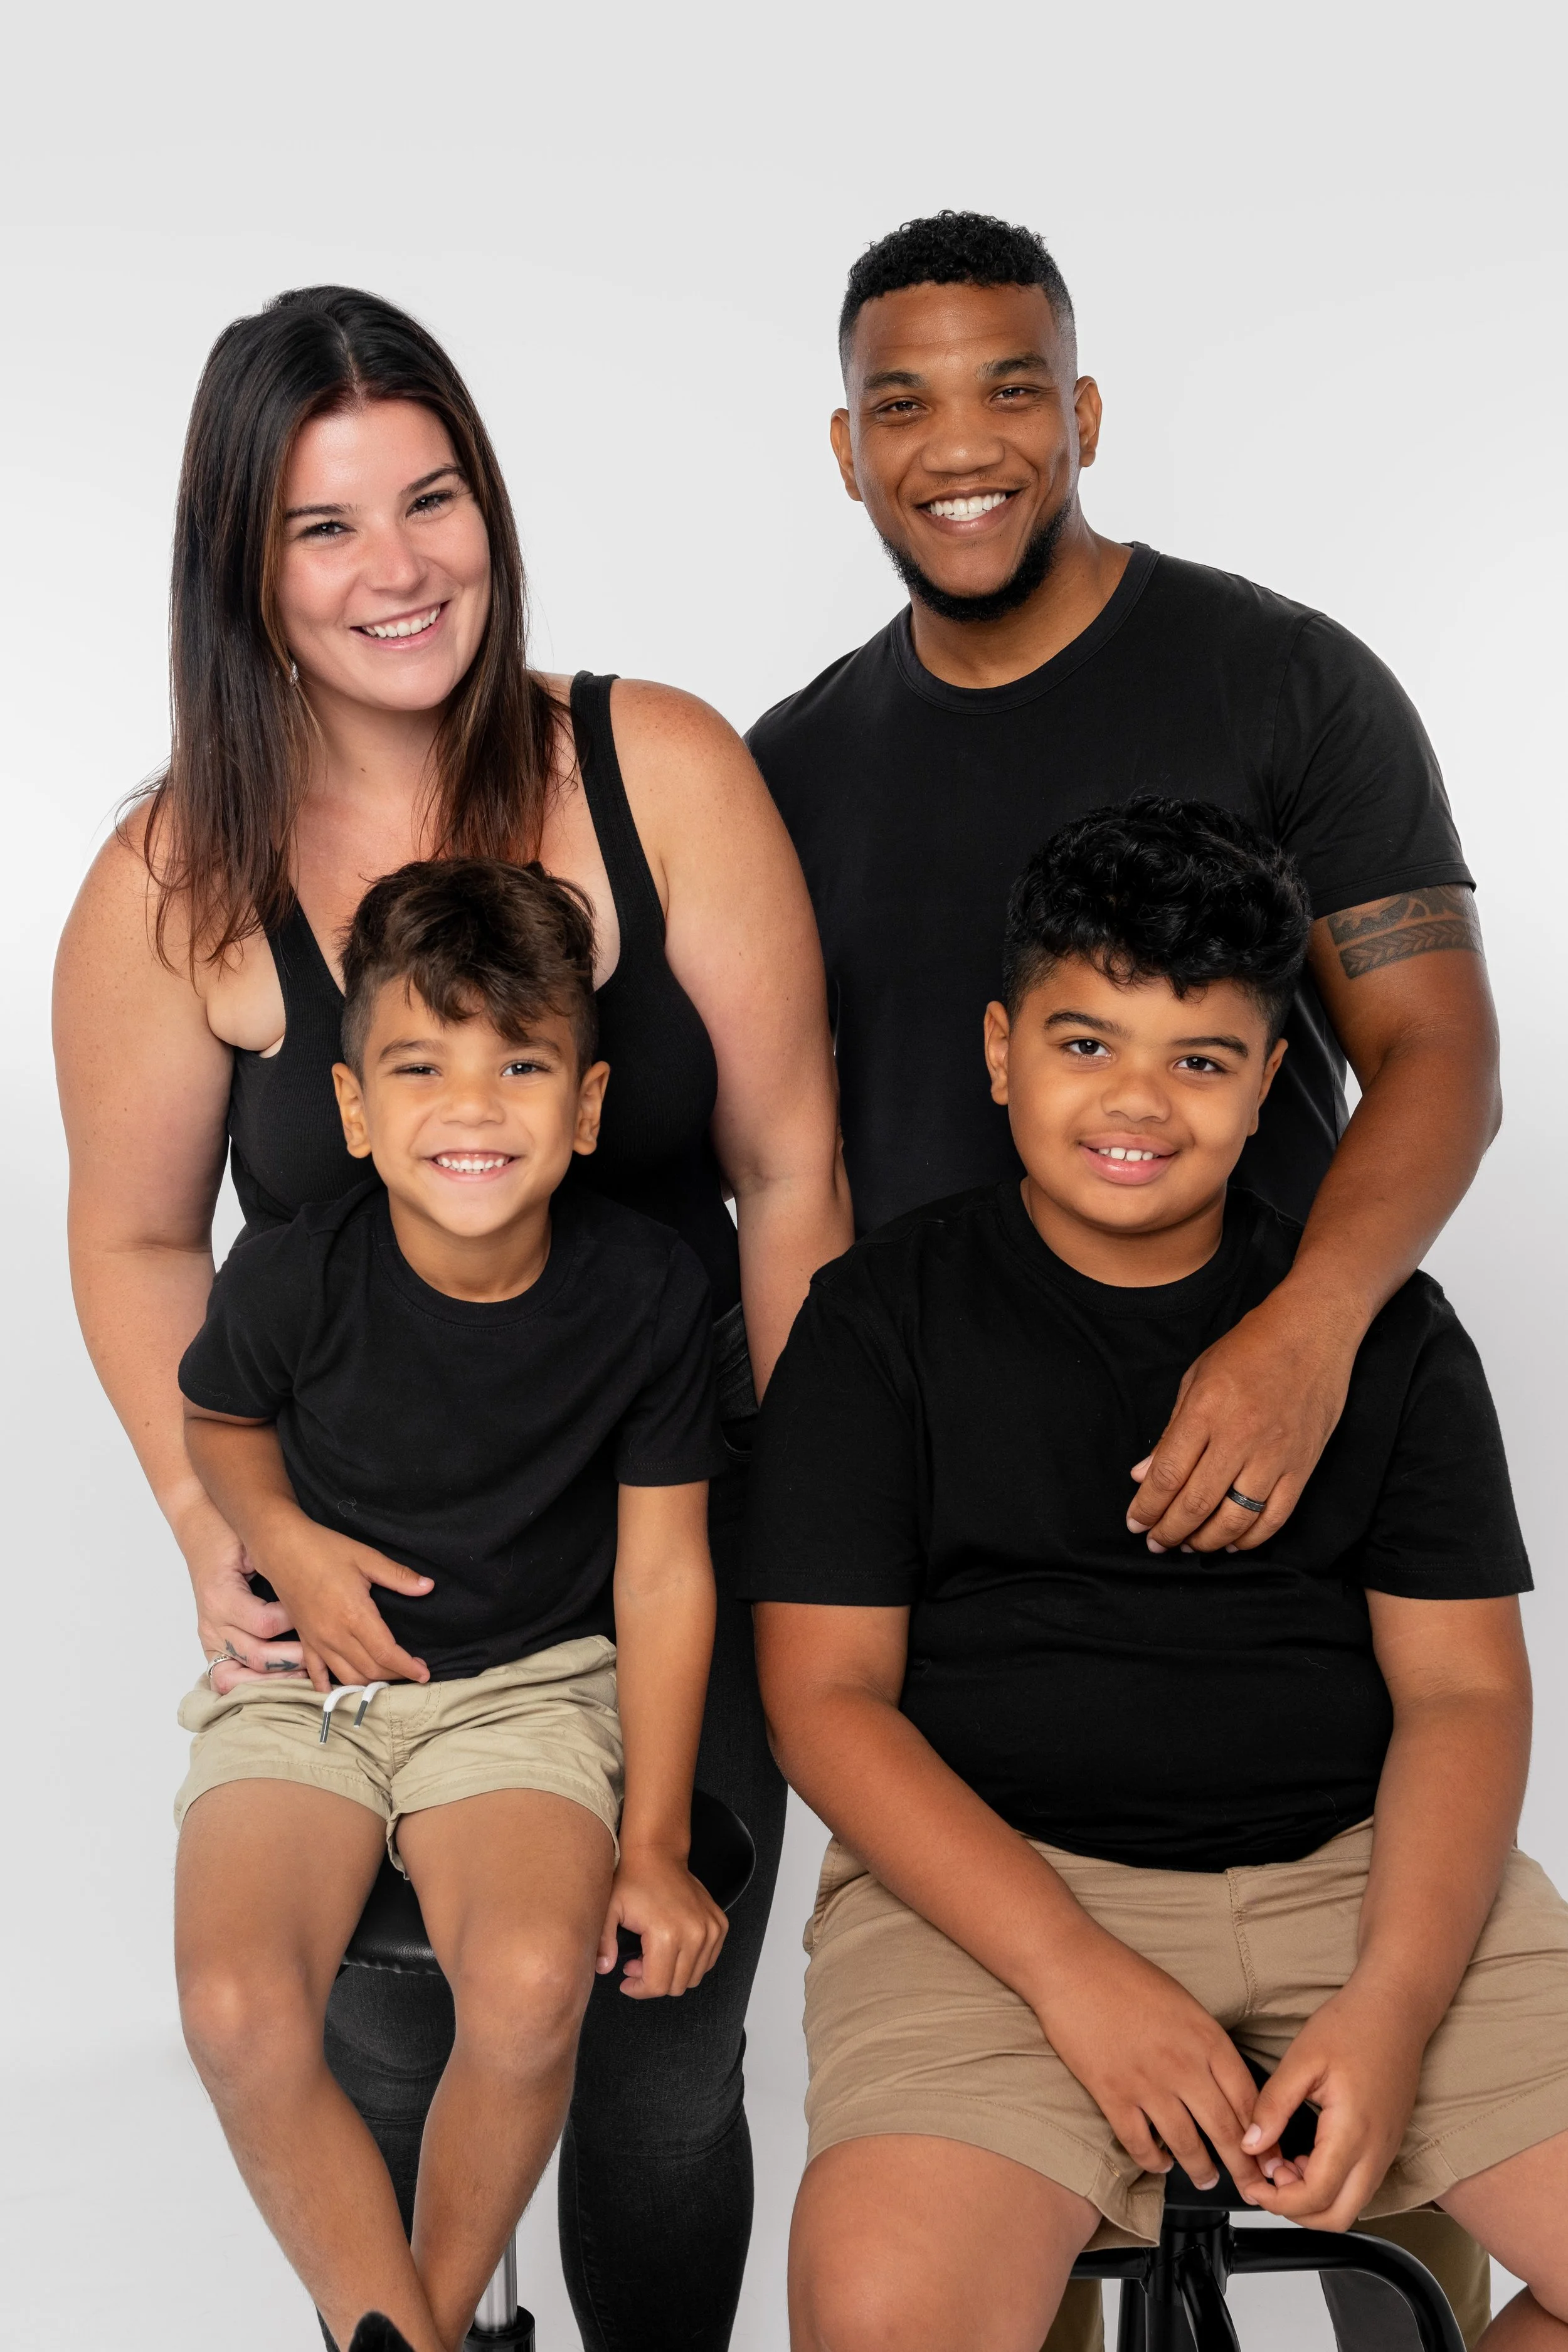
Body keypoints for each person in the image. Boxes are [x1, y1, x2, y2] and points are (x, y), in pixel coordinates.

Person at [53, 286, 851, 2352]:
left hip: (678, 1541)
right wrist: (214, 1522)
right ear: (239, 563)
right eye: (324, 527)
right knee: (386, 2034)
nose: (398, 567)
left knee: (661, 2074)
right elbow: (139, 1240)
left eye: (432, 499)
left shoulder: (656, 763)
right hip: (380, 1577)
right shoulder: (177, 877)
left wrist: (832, 1544)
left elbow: (793, 1176)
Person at [746, 206, 1501, 2338]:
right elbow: (753, 1148)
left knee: (1381, 2229)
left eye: (1013, 390)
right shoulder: (798, 771)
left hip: (1282, 1551)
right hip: (965, 1579)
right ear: (844, 447)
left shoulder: (1279, 680)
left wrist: (1308, 1329)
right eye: (906, 401)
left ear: (1081, 413)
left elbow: (1437, 1053)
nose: (962, 446)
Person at [741, 801, 1567, 2352]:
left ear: (1269, 1083)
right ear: (998, 1053)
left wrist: (1390, 2011)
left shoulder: (1385, 1333)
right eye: (1082, 1044)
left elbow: (1460, 1695)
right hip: (990, 1901)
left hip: (1357, 1878)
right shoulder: (877, 1324)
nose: (1137, 1101)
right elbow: (823, 1705)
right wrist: (1073, 1974)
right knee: (879, 2325)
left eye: (1198, 1059)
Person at [176, 858, 730, 2352]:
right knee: (236, 2004)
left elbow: (666, 1569)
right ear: (354, 1113)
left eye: (520, 1066)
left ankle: (410, 2330)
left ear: (589, 1106)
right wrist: (279, 1538)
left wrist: (659, 1844)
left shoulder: (652, 1293)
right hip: (310, 1686)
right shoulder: (292, 1276)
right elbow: (219, 1426)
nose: (472, 1109)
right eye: (420, 1068)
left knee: (536, 1980)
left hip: (528, 1689)